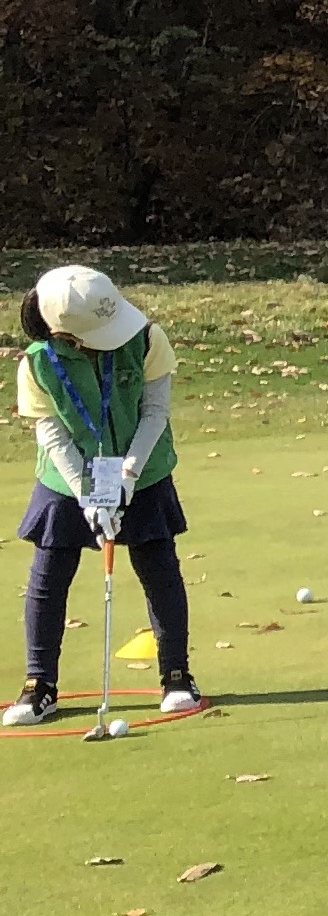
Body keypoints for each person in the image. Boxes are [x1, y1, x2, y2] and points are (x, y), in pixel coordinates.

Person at [7, 266, 200, 727]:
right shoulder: (37, 363)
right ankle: (39, 685)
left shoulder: (147, 339)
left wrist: (128, 474)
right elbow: (52, 434)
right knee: (49, 576)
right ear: (66, 335)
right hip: (65, 476)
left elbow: (155, 412)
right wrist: (87, 495)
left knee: (159, 568)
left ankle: (177, 675)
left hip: (144, 468)